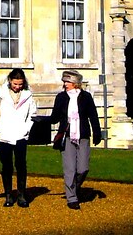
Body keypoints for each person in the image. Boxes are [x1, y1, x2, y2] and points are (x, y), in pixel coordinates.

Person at [35, 69, 102, 210]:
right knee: (70, 169)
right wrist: (41, 119)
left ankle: (75, 188)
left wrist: (97, 132)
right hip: (66, 136)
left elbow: (93, 116)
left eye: (68, 82)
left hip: (82, 135)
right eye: (64, 81)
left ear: (76, 83)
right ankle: (72, 198)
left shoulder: (86, 97)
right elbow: (55, 118)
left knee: (83, 168)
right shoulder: (61, 97)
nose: (65, 84)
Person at [0, 68, 37, 208]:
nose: (17, 87)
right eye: (15, 84)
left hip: (21, 135)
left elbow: (32, 115)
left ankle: (21, 195)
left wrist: (27, 130)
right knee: (6, 165)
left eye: (20, 84)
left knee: (21, 165)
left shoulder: (28, 95)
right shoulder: (0, 93)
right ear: (10, 81)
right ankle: (8, 195)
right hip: (4, 136)